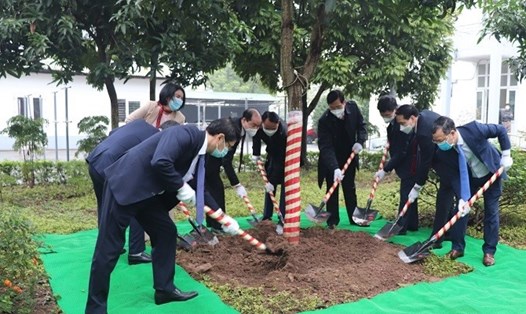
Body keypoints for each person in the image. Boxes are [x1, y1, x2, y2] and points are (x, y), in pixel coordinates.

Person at [85, 118, 241, 313]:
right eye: (228, 146)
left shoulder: (200, 155)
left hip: (146, 194)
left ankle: (164, 290)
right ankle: (95, 309)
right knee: (108, 249)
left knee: (166, 232)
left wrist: (221, 216)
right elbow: (161, 161)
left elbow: (200, 187)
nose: (225, 150)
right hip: (125, 185)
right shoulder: (185, 134)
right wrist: (180, 187)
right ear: (220, 138)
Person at [431, 116, 513, 266]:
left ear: (452, 133)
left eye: (441, 139)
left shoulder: (474, 129)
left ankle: (489, 252)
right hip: (469, 179)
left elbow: (500, 130)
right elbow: (456, 174)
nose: (439, 144)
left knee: (491, 212)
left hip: (491, 173)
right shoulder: (444, 151)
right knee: (461, 211)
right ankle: (457, 248)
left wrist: (506, 154)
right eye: (435, 141)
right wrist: (464, 197)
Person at [86, 120, 159, 265]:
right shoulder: (156, 137)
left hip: (95, 160)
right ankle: (136, 251)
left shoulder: (139, 124)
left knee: (104, 205)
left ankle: (108, 247)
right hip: (111, 165)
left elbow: (113, 134)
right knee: (136, 203)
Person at [205, 109, 262, 232]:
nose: (256, 129)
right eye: (253, 125)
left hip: (213, 162)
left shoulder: (239, 127)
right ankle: (217, 226)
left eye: (258, 126)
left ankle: (214, 224)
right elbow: (227, 161)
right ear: (244, 120)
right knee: (215, 191)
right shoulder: (233, 130)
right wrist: (236, 184)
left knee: (215, 191)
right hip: (208, 161)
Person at [317, 90, 367, 229]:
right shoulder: (324, 120)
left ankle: (354, 218)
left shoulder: (353, 108)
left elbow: (362, 126)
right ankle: (332, 221)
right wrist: (334, 168)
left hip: (349, 155)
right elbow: (325, 146)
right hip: (330, 159)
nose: (335, 110)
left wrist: (360, 141)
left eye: (338, 107)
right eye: (332, 108)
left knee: (350, 187)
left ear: (344, 103)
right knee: (332, 189)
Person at [374, 96, 417, 234]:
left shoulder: (403, 124)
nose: (385, 117)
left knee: (406, 194)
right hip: (403, 163)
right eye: (383, 115)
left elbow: (402, 151)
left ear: (395, 110)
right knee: (410, 194)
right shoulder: (392, 125)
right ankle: (412, 224)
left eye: (387, 114)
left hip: (410, 163)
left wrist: (386, 168)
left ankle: (401, 226)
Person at [394, 105, 441, 229]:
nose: (401, 127)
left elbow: (426, 161)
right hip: (439, 152)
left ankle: (447, 232)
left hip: (445, 158)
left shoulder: (423, 133)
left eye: (403, 123)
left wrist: (418, 185)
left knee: (445, 197)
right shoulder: (423, 114)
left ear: (413, 118)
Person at [251, 111, 287, 233]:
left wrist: (273, 180)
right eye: (267, 128)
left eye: (273, 128)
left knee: (285, 187)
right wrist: (256, 154)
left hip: (287, 158)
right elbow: (256, 137)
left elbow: (280, 160)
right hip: (272, 155)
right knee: (269, 186)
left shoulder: (284, 133)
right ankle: (267, 217)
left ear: (278, 124)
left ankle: (283, 220)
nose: (269, 130)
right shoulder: (260, 127)